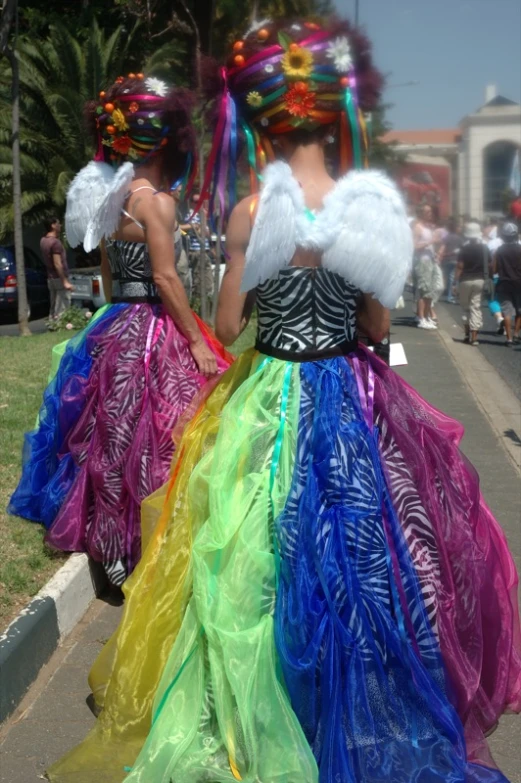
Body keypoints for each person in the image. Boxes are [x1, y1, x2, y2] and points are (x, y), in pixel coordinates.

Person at [46, 19, 520, 783]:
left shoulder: (248, 213)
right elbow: (373, 322)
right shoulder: (366, 204)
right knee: (363, 550)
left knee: (249, 549)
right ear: (334, 113)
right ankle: (348, 705)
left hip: (267, 389)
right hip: (347, 389)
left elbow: (231, 324)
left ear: (258, 121)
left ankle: (252, 712)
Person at [8, 73, 232, 586]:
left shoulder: (114, 197)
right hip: (154, 322)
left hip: (117, 322)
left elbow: (109, 275)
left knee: (111, 434)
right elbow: (165, 276)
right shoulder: (157, 201)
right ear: (169, 141)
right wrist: (196, 340)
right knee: (166, 430)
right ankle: (154, 542)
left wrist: (115, 322)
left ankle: (110, 546)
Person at [454, 221, 491, 346]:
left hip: (465, 280)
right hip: (480, 279)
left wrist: (454, 283)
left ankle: (466, 335)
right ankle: (474, 338)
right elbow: (490, 264)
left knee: (465, 308)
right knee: (476, 307)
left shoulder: (464, 249)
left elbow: (460, 266)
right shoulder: (485, 249)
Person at [40, 216, 73, 322]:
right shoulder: (55, 243)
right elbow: (57, 264)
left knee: (54, 305)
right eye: (58, 223)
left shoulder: (43, 240)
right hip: (59, 278)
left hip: (50, 278)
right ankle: (60, 325)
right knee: (62, 306)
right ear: (53, 226)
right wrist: (65, 281)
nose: (60, 225)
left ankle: (52, 324)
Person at [412, 204, 441, 329]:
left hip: (430, 261)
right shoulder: (418, 228)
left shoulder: (428, 227)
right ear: (421, 213)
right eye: (427, 212)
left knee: (430, 291)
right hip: (422, 262)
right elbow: (414, 246)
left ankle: (427, 316)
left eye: (431, 211)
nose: (430, 214)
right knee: (424, 290)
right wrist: (430, 242)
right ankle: (421, 318)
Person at [494, 221, 521, 345]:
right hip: (519, 283)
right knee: (519, 309)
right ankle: (516, 333)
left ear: (504, 236)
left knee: (507, 311)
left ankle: (509, 338)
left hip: (504, 283)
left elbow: (494, 269)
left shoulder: (499, 251)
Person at [170, 183, 193, 300]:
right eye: (179, 191)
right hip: (170, 245)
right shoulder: (168, 205)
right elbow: (172, 225)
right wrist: (190, 226)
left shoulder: (178, 206)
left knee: (183, 273)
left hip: (178, 243)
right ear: (172, 192)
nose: (182, 193)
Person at [438, 216, 463, 303]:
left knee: (446, 277)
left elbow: (442, 248)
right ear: (455, 228)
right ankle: (450, 296)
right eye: (459, 227)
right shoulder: (459, 238)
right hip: (455, 260)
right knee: (452, 278)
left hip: (445, 260)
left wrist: (441, 256)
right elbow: (461, 249)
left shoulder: (446, 238)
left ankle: (446, 293)